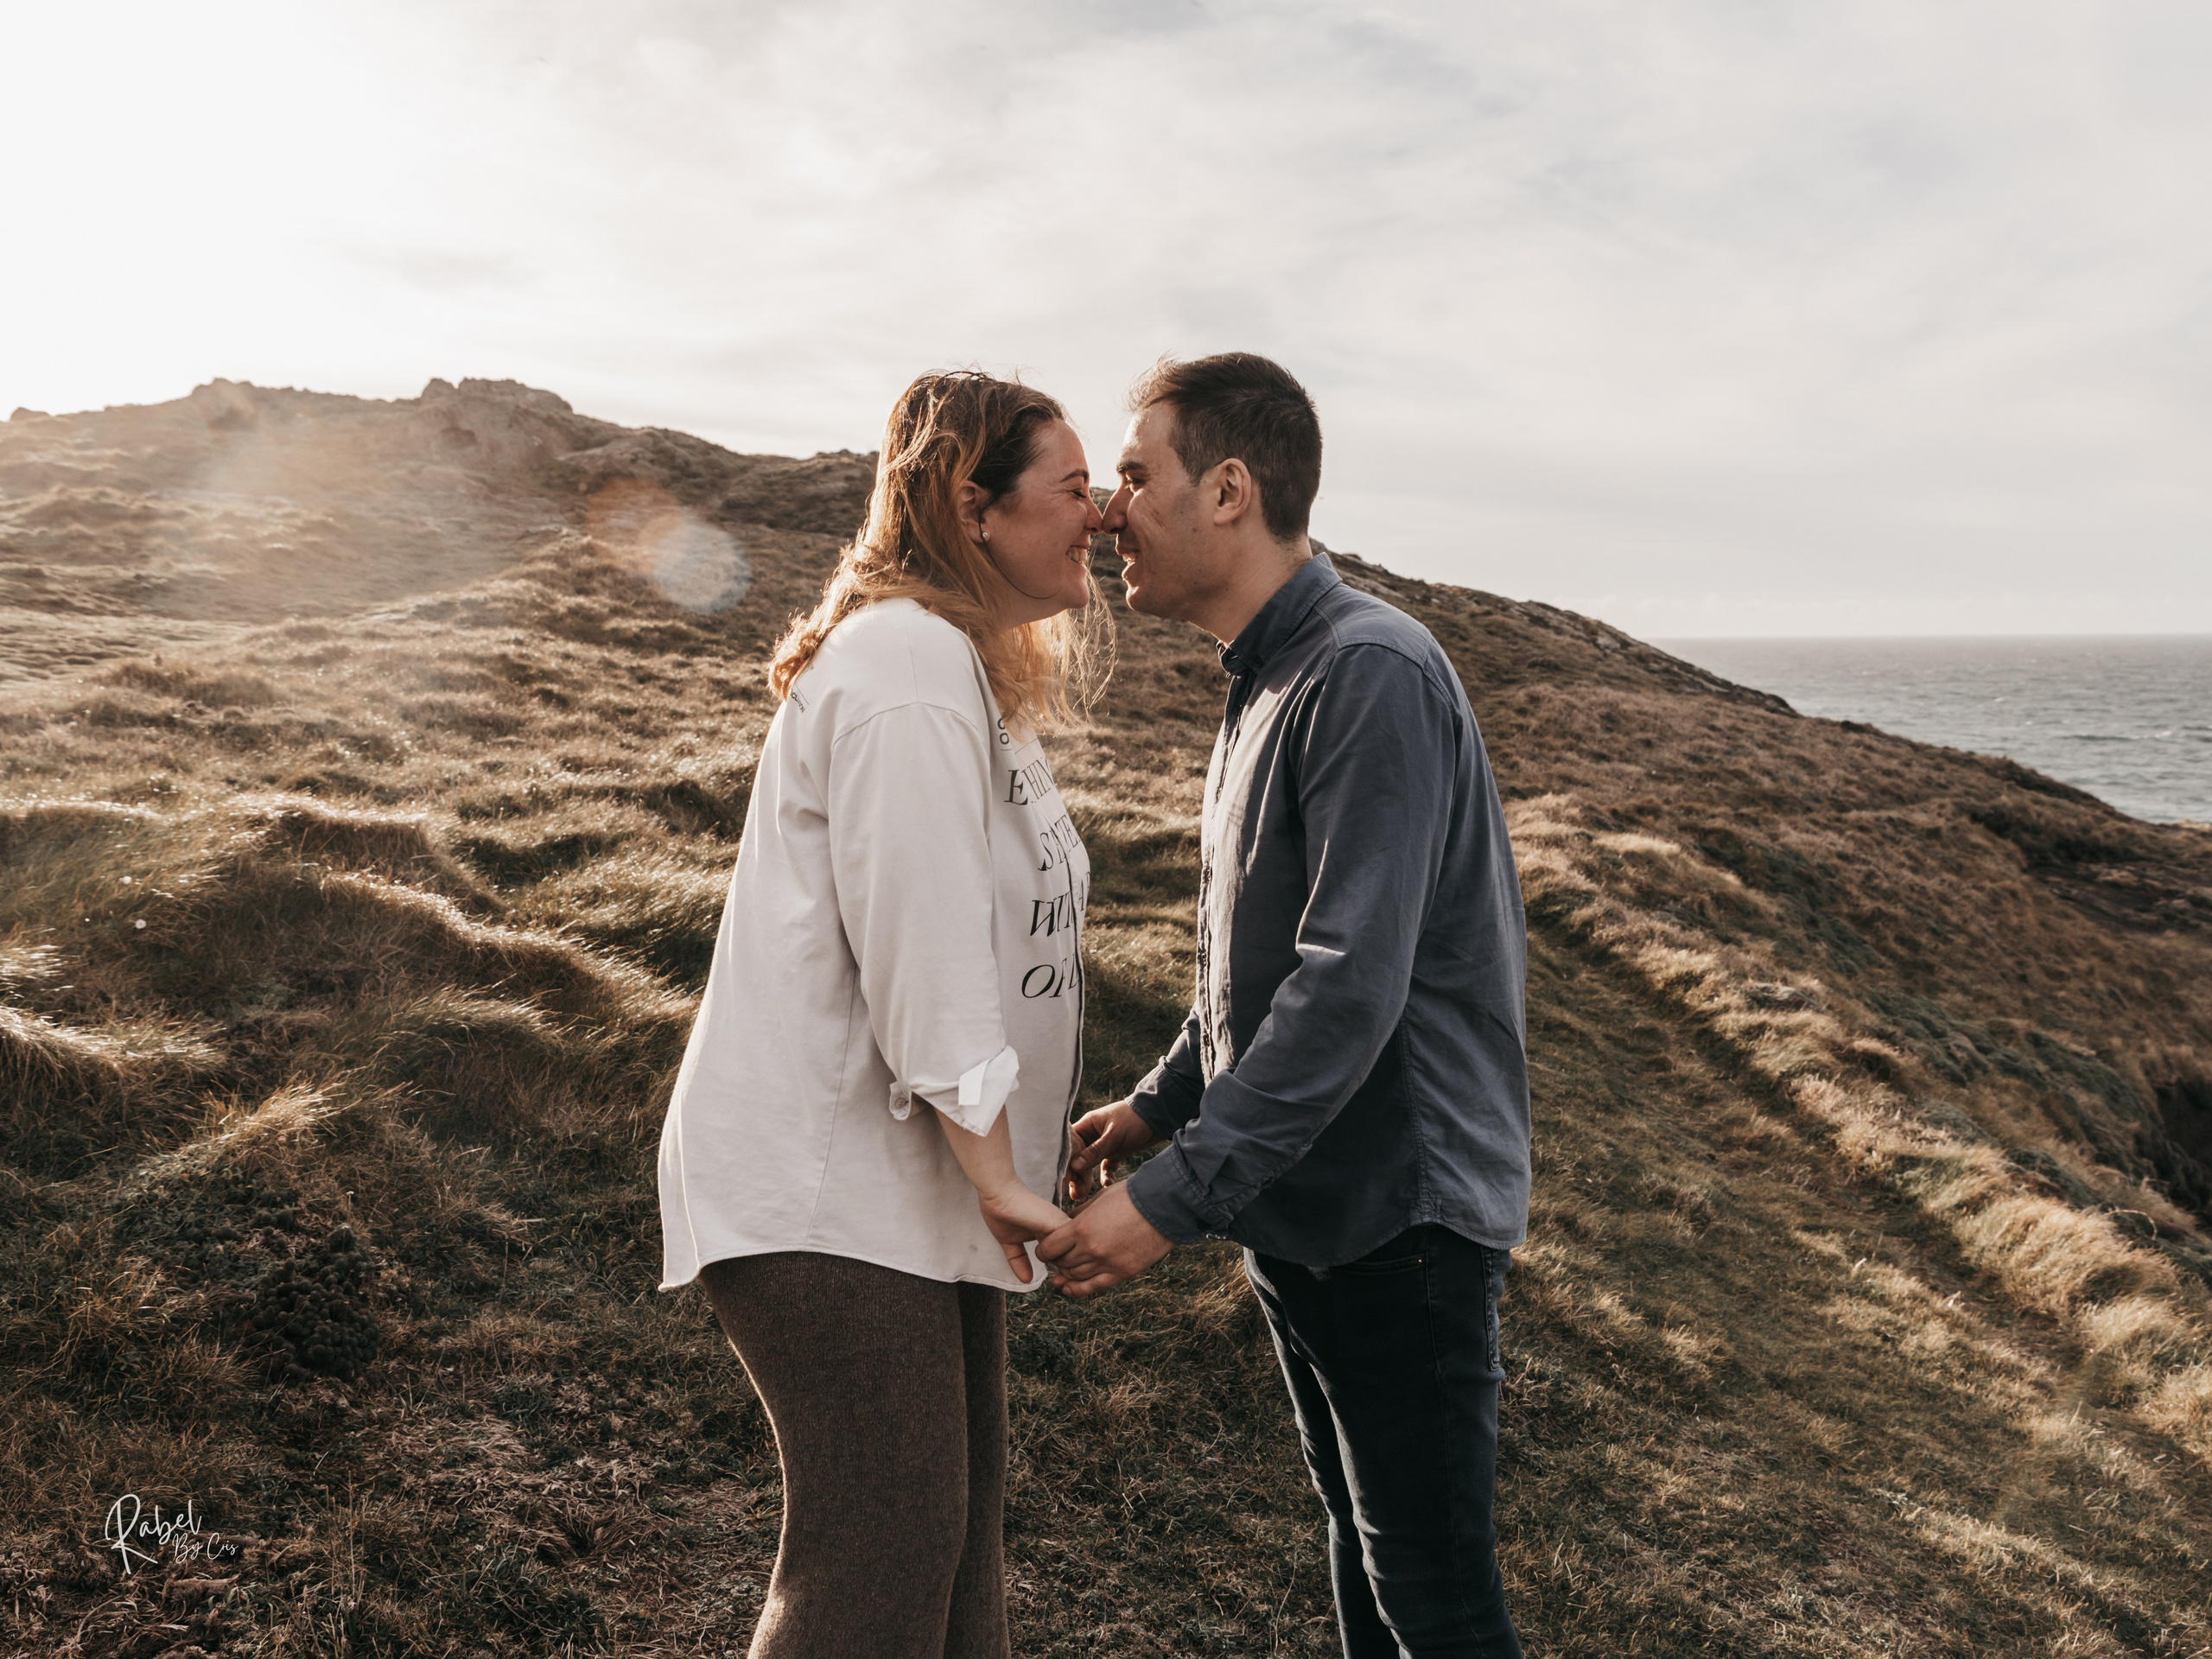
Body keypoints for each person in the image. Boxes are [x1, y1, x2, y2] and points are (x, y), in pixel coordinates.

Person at [1039, 353, 1531, 1658]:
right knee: (1369, 1575)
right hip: (1308, 1212)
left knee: (1434, 1605)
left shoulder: (1367, 673)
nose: (1107, 510)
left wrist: (1165, 1204)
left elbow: (1345, 991)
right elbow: (1251, 977)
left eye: (1136, 475)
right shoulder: (1263, 678)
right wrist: (1152, 1112)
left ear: (1231, 491)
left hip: (1395, 1222)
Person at [658, 370, 1106, 1659]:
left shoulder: (950, 666)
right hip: (829, 1189)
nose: (1102, 515)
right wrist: (996, 1162)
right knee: (880, 1551)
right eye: (1073, 490)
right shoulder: (908, 661)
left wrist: (1017, 1152)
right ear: (975, 505)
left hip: (910, 1188)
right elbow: (919, 942)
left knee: (954, 1561)